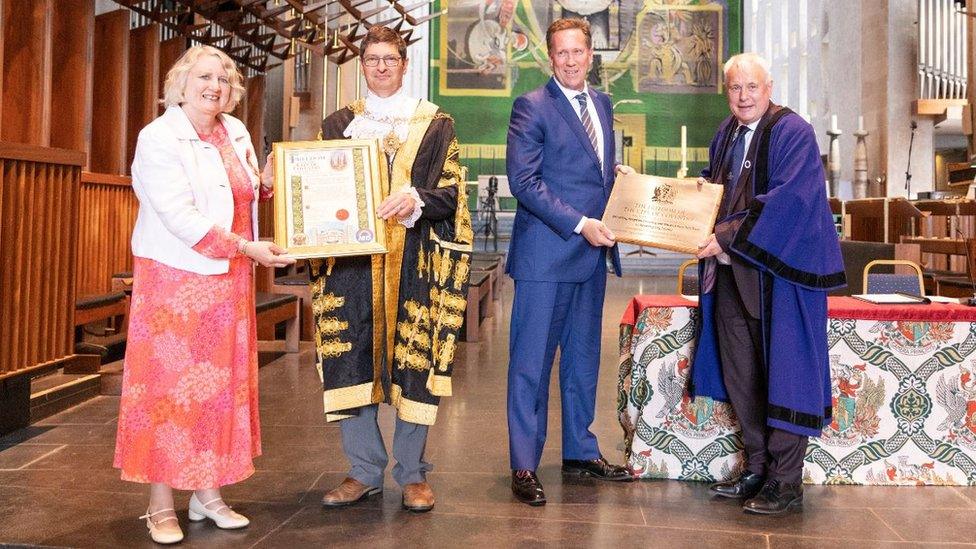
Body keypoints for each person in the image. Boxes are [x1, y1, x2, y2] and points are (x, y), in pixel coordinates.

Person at [113, 45, 294, 544]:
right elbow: (179, 215)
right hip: (175, 281)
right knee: (168, 394)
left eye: (223, 78)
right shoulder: (158, 137)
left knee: (219, 390)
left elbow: (239, 191)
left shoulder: (233, 131)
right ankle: (159, 505)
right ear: (181, 82)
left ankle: (208, 494)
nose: (214, 85)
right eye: (204, 76)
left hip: (228, 279)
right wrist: (246, 248)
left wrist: (270, 184)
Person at [309, 26, 473, 513]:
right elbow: (316, 191)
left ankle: (413, 473)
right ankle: (362, 471)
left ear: (404, 65)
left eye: (391, 59)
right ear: (362, 66)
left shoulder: (436, 124)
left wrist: (416, 197)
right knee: (350, 359)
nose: (382, 66)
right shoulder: (337, 123)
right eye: (373, 59)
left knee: (415, 364)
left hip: (415, 262)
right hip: (351, 267)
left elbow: (453, 196)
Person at [691, 52, 845, 515]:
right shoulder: (726, 134)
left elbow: (788, 201)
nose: (743, 96)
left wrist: (720, 238)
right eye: (735, 88)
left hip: (780, 275)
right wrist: (658, 199)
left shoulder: (792, 131)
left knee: (786, 375)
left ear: (769, 87)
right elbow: (710, 190)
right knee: (744, 374)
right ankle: (757, 467)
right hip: (733, 276)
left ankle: (785, 481)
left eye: (751, 87)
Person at [505, 17, 631, 507]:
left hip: (591, 258)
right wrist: (581, 223)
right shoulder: (531, 107)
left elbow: (590, 173)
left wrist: (619, 180)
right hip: (546, 255)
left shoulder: (601, 103)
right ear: (550, 58)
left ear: (591, 54)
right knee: (531, 364)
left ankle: (580, 450)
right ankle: (522, 464)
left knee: (582, 362)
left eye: (579, 52)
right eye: (562, 53)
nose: (572, 60)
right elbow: (525, 182)